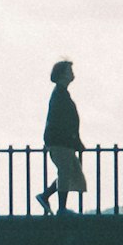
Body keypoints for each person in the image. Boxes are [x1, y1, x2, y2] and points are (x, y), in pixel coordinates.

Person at [37, 60, 86, 212]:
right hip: (61, 142)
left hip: (63, 141)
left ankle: (46, 196)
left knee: (70, 172)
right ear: (62, 75)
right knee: (66, 172)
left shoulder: (61, 93)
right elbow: (63, 121)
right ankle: (61, 207)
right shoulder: (60, 94)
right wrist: (74, 139)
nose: (72, 74)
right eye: (69, 71)